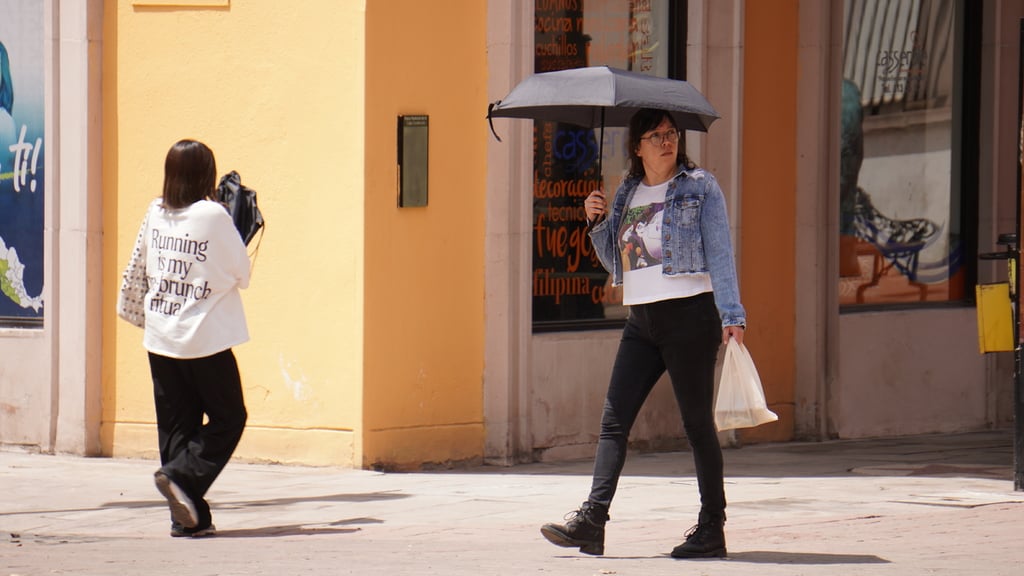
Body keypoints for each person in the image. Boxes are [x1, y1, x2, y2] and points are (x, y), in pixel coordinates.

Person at [540, 108, 745, 559]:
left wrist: (732, 315)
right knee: (613, 420)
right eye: (655, 136)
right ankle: (592, 521)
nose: (666, 141)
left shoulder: (700, 186)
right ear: (637, 147)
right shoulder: (627, 191)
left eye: (671, 134)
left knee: (696, 425)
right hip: (641, 320)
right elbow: (617, 262)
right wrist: (596, 223)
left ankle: (712, 527)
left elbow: (721, 252)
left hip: (690, 317)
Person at [134, 139, 251, 538]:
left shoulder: (156, 211)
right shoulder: (214, 215)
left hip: (160, 336)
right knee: (229, 417)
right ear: (206, 174)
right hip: (204, 338)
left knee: (176, 428)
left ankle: (188, 519)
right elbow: (242, 273)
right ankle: (181, 476)